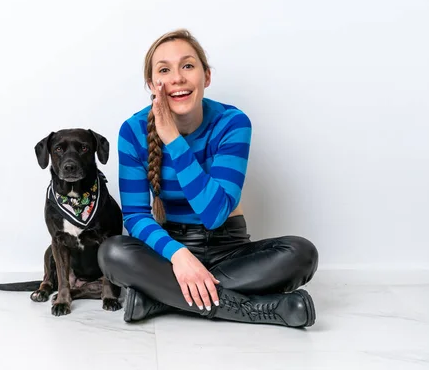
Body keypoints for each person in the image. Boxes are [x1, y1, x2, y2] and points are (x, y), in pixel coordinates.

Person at [97, 29, 319, 327]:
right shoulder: (133, 131)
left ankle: (162, 299)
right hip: (169, 249)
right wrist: (180, 257)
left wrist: (172, 139)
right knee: (112, 252)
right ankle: (261, 310)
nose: (177, 78)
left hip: (230, 248)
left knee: (301, 253)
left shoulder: (232, 123)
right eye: (164, 70)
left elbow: (214, 215)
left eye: (187, 66)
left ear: (206, 77)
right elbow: (136, 216)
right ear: (152, 84)